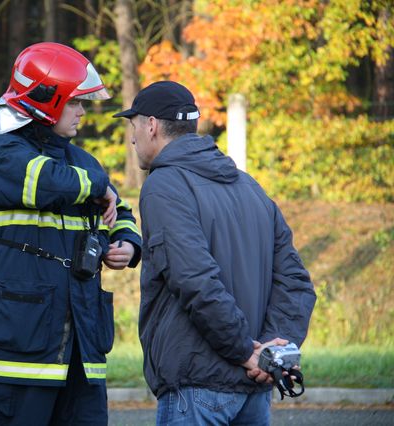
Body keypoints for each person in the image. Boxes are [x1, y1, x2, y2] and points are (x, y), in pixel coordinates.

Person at [114, 81, 316, 425]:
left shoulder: (163, 186)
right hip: (253, 386)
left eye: (133, 127)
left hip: (198, 385)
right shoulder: (250, 187)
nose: (132, 139)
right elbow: (296, 283)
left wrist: (248, 353)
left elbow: (195, 281)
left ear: (150, 125)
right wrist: (269, 353)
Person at [0, 42, 142, 425]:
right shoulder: (1, 155)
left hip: (81, 353)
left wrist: (128, 244)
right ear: (47, 100)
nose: (83, 112)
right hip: (21, 356)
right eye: (74, 103)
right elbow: (50, 182)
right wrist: (100, 187)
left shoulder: (82, 163)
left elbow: (122, 210)